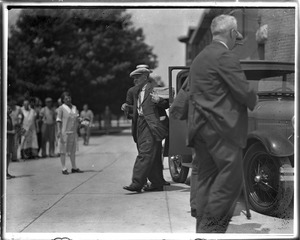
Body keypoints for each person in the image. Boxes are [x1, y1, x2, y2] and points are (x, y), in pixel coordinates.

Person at [187, 14, 258, 233]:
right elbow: (244, 92)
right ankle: (210, 232)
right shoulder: (225, 57)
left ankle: (201, 231)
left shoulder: (199, 59)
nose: (238, 36)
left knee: (206, 184)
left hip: (200, 131)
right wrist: (253, 94)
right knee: (231, 182)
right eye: (236, 32)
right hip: (221, 131)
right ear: (229, 33)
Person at [121, 64, 170, 186]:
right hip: (140, 124)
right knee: (150, 154)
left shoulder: (154, 88)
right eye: (134, 77)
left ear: (145, 77)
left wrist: (159, 101)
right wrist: (127, 107)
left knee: (146, 153)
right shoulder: (134, 91)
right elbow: (137, 109)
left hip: (152, 124)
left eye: (137, 77)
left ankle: (137, 183)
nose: (135, 80)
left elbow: (166, 104)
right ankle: (157, 182)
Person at [56, 91, 83, 175]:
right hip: (65, 132)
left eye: (69, 98)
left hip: (73, 132)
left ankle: (74, 167)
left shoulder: (74, 107)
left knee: (73, 151)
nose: (68, 99)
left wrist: (81, 120)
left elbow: (77, 118)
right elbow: (58, 120)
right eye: (66, 98)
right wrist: (59, 131)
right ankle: (64, 168)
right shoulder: (61, 108)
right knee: (63, 151)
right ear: (63, 100)